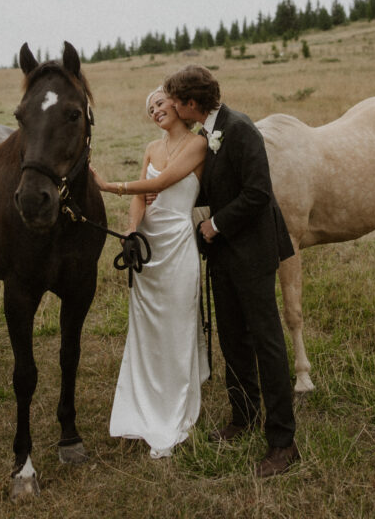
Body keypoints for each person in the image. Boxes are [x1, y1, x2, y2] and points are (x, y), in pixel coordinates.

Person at [162, 64, 299, 478]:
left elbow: (258, 192)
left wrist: (215, 224)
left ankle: (283, 442)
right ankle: (243, 416)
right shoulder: (205, 133)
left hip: (253, 254)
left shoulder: (240, 129)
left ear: (191, 103)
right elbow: (210, 185)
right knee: (231, 339)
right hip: (222, 256)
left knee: (267, 342)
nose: (171, 106)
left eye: (175, 100)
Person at [90, 87, 210, 458]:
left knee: (176, 324)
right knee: (145, 329)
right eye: (149, 109)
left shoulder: (198, 144)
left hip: (177, 242)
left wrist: (110, 186)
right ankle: (138, 409)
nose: (154, 110)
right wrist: (132, 230)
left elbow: (159, 184)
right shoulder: (150, 149)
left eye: (159, 103)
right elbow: (144, 197)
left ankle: (172, 411)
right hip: (149, 245)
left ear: (176, 104)